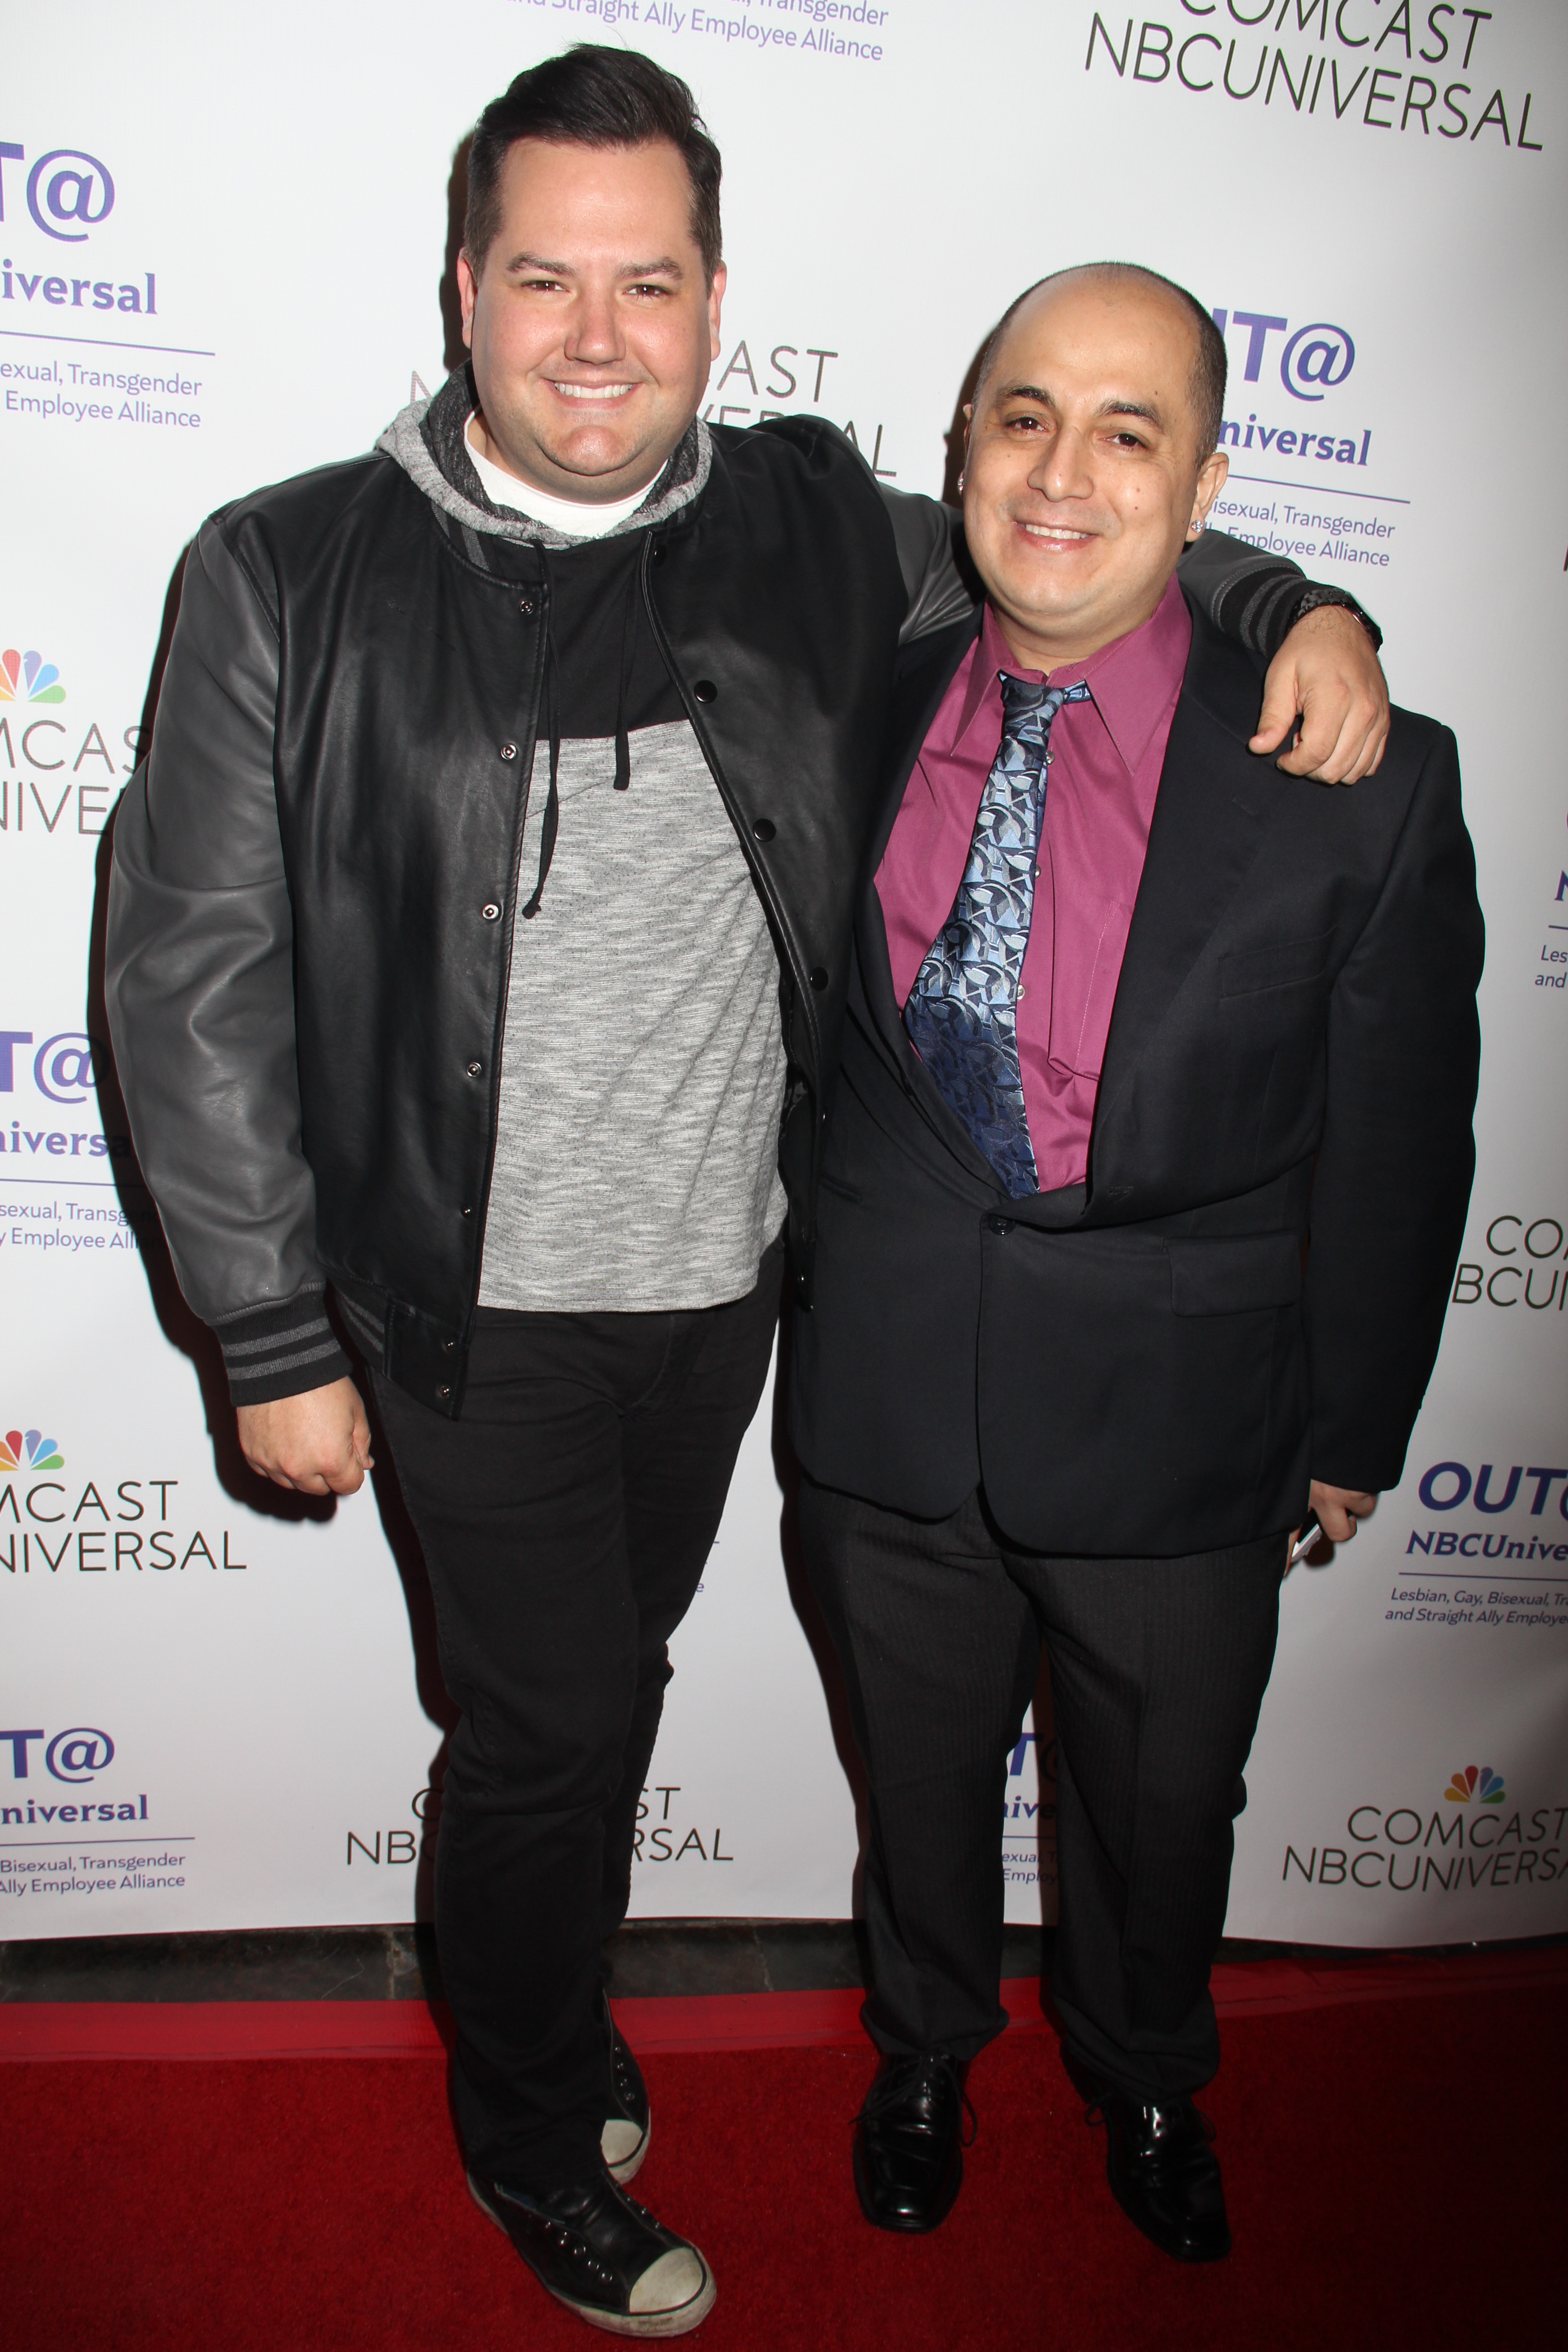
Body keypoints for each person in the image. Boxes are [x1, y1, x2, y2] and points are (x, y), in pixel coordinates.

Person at [105, 45, 1392, 2337]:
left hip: (727, 1308)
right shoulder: (287, 568)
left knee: (611, 1694)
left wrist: (1301, 597)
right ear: (462, 291)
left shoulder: (817, 520)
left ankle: (545, 2014)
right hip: (455, 1317)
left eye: (650, 281)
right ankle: (525, 2131)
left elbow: (1071, 543)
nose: (596, 337)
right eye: (543, 281)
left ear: (718, 299)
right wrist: (274, 1335)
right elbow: (189, 978)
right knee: (553, 1732)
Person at [789, 259, 1483, 2268]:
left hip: (1188, 1428)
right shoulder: (869, 668)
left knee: (1164, 1818)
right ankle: (923, 2047)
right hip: (893, 1398)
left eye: (1130, 430)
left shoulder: (1364, 776)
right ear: (962, 449)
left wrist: (1350, 1428)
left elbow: (1400, 1142)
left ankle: (1148, 2068)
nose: (1065, 473)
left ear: (1209, 485)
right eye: (1025, 416)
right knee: (912, 1792)